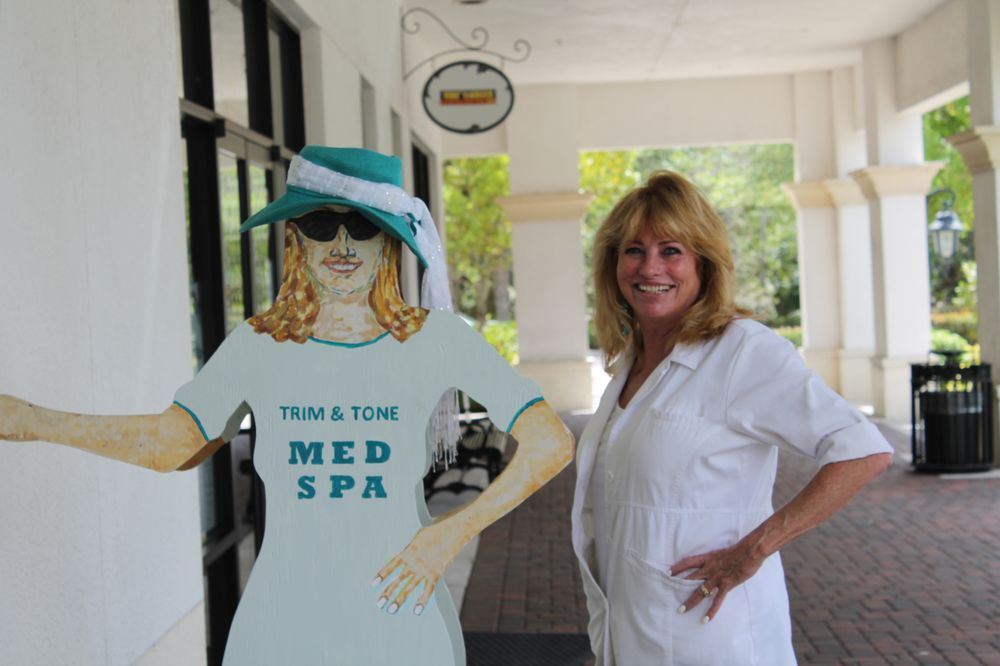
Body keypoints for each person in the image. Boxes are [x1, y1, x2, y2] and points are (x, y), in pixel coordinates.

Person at [0, 146, 574, 665]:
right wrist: (33, 421)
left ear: (388, 242)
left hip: (397, 607)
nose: (342, 246)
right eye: (322, 225)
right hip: (282, 616)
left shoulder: (435, 340)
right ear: (296, 240)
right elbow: (173, 444)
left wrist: (448, 536)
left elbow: (551, 442)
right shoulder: (259, 343)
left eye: (362, 227)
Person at [571, 171, 893, 665]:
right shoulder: (631, 362)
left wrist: (753, 550)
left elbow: (862, 450)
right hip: (634, 632)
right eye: (633, 250)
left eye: (671, 250)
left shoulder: (742, 351)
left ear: (704, 263)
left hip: (713, 637)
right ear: (613, 264)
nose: (649, 267)